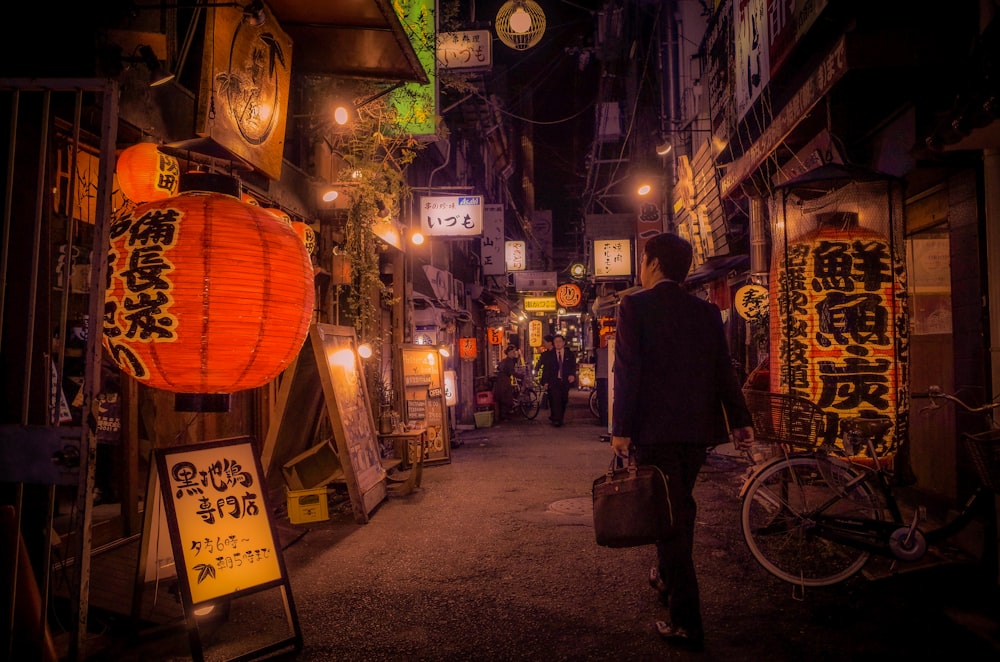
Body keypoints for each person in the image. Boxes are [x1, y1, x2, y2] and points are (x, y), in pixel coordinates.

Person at [610, 232, 754, 651]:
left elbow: (628, 371)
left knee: (672, 522)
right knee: (676, 508)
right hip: (695, 434)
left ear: (653, 263)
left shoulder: (634, 305)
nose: (640, 266)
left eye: (642, 259)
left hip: (654, 433)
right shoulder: (706, 312)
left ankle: (686, 620)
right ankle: (667, 576)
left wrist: (621, 430)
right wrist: (739, 420)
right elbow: (722, 370)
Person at [537, 334, 576, 426]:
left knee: (563, 399)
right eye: (556, 342)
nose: (558, 344)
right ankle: (556, 419)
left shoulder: (569, 354)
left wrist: (572, 375)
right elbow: (546, 369)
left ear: (563, 343)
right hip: (553, 380)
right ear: (553, 343)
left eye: (560, 341)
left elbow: (572, 366)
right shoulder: (549, 355)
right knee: (554, 399)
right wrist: (545, 381)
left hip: (565, 380)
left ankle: (560, 417)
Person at [492, 344, 520, 422]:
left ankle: (502, 416)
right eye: (513, 352)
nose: (514, 353)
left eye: (515, 352)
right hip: (504, 381)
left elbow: (498, 367)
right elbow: (511, 372)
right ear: (509, 352)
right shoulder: (509, 361)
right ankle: (504, 416)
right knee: (506, 397)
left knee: (502, 397)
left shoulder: (504, 360)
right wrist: (521, 376)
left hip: (500, 380)